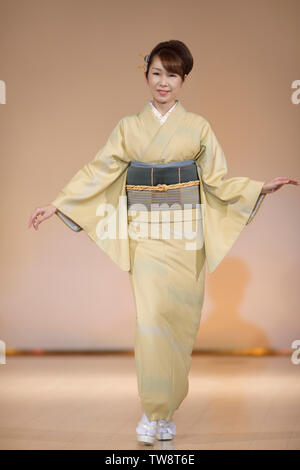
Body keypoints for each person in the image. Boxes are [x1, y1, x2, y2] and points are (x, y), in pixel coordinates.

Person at [28, 40, 299, 446]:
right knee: (150, 321)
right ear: (146, 76)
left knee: (180, 324)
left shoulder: (198, 128)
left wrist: (260, 187)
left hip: (187, 235)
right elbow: (98, 169)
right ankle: (152, 410)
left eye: (172, 75)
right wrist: (59, 203)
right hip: (147, 234)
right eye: (156, 73)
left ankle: (167, 411)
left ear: (183, 80)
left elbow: (218, 181)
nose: (163, 82)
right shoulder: (128, 128)